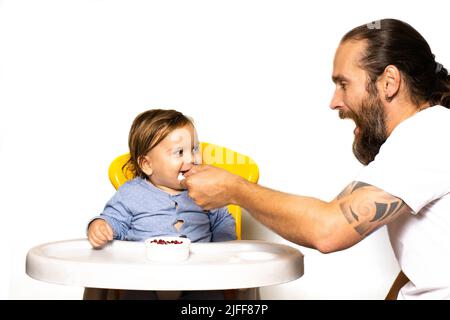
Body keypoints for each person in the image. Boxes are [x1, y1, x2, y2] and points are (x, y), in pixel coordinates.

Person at [181, 19, 450, 299]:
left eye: (343, 84)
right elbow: (424, 266)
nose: (334, 101)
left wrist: (234, 189)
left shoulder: (429, 133)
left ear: (389, 82)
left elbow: (328, 230)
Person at [87, 109, 236, 300]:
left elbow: (222, 220)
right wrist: (100, 226)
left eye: (195, 149)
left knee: (209, 297)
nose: (191, 159)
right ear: (147, 164)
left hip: (198, 275)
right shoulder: (131, 193)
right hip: (142, 277)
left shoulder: (206, 189)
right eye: (179, 152)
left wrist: (225, 251)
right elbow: (114, 221)